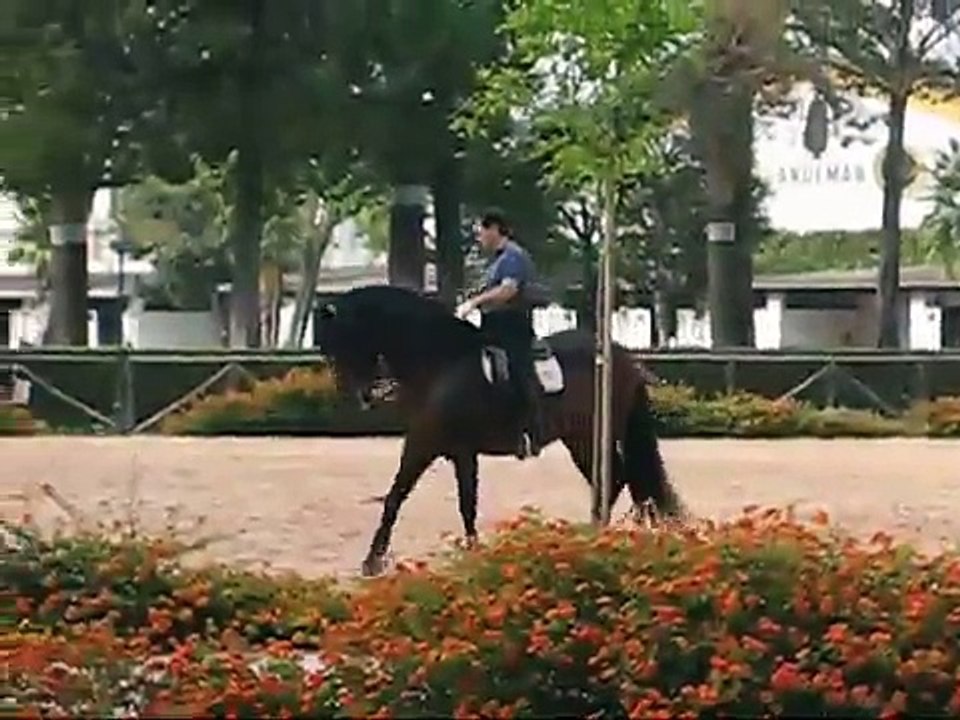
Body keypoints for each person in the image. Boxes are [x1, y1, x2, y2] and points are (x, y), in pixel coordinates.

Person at [456, 208, 545, 458]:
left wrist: (475, 302)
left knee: (515, 371)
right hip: (492, 325)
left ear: (495, 229)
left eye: (481, 231)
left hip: (512, 327)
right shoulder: (495, 261)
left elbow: (508, 291)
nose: (479, 237)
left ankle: (528, 430)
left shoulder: (513, 257)